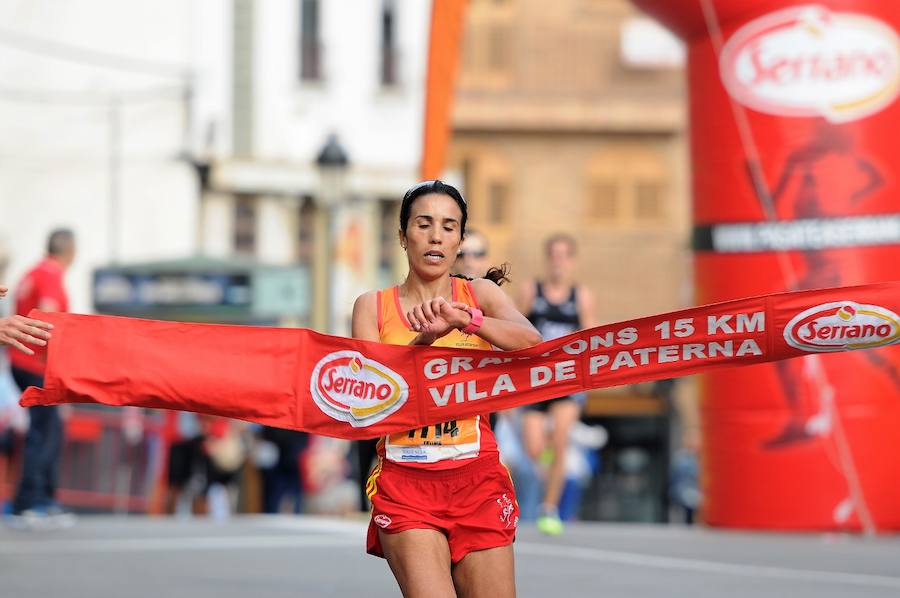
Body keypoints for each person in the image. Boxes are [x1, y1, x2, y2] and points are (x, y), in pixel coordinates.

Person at [352, 180, 541, 598]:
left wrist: (466, 321)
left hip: (477, 478)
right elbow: (370, 402)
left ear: (459, 240)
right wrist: (425, 342)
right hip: (406, 481)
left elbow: (532, 343)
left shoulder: (479, 294)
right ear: (403, 237)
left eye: (449, 227)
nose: (436, 236)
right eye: (424, 224)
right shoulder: (373, 306)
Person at [517, 233, 597, 535]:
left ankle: (549, 509)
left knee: (562, 439)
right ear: (547, 258)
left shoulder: (581, 296)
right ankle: (548, 449)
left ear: (571, 261)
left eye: (564, 255)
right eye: (554, 255)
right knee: (534, 449)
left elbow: (592, 337)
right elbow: (514, 327)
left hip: (566, 381)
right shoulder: (531, 291)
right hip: (534, 380)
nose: (558, 261)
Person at [6, 229, 76, 529]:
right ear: (71, 252)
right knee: (43, 432)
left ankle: (45, 498)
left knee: (51, 429)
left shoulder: (31, 272)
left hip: (21, 359)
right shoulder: (50, 275)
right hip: (36, 363)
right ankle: (28, 502)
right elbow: (50, 320)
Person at [0, 285, 53, 355]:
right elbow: (48, 316)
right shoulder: (49, 279)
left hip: (17, 350)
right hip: (33, 355)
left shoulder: (33, 275)